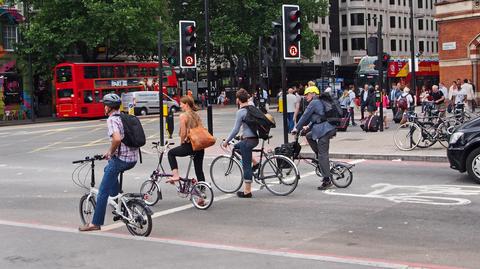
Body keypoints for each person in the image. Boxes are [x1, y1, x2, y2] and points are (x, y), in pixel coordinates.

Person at [79, 94, 138, 232]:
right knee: (108, 169)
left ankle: (95, 223)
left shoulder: (112, 120)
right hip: (133, 159)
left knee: (102, 192)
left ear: (109, 107)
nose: (104, 107)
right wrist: (110, 154)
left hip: (122, 160)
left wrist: (110, 153)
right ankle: (117, 200)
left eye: (105, 105)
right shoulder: (123, 116)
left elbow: (117, 139)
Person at [291, 87, 336, 190]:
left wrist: (296, 128)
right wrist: (308, 126)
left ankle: (327, 180)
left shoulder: (314, 102)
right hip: (327, 128)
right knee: (309, 136)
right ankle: (319, 156)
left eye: (307, 94)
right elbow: (318, 117)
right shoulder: (319, 101)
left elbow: (305, 115)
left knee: (322, 154)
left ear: (312, 93)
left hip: (325, 130)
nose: (305, 97)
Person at [222, 88, 259, 198]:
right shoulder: (252, 108)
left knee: (246, 166)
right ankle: (256, 163)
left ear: (238, 100)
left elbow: (235, 129)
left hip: (248, 141)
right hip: (255, 139)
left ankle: (247, 191)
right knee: (237, 147)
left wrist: (227, 141)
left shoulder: (241, 112)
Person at [167, 96, 205, 184]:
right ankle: (202, 190)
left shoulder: (183, 116)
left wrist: (181, 144)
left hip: (190, 145)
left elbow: (183, 133)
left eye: (181, 104)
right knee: (199, 170)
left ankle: (175, 175)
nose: (180, 106)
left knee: (171, 153)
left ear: (186, 104)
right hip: (199, 145)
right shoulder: (197, 114)